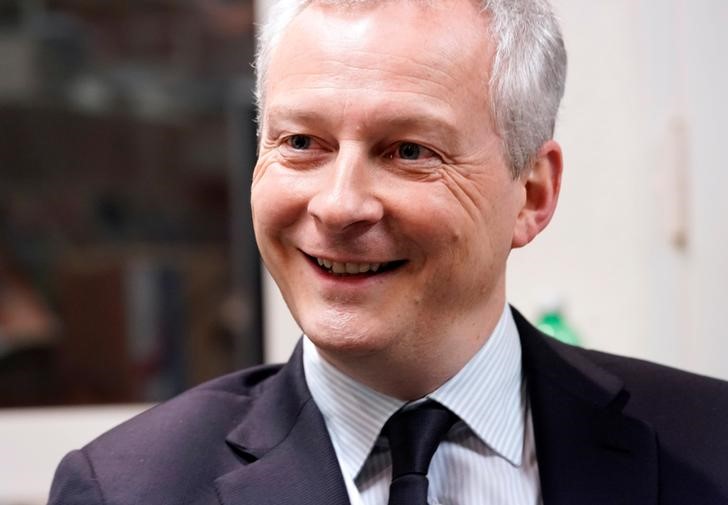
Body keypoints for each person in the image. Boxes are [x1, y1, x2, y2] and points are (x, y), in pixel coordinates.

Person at [49, 0, 728, 504]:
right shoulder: (127, 488)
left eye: (408, 151)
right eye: (301, 143)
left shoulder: (709, 447)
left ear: (532, 195)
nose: (339, 205)